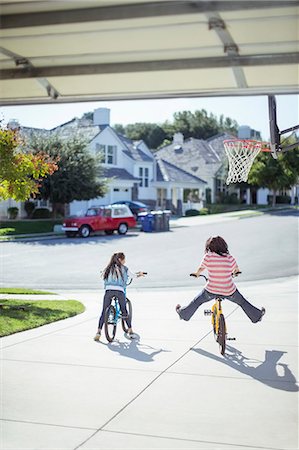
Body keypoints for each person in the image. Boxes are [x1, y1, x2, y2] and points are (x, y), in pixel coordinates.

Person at [176, 236, 265, 323]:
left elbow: (201, 268)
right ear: (223, 245)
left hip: (211, 290)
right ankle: (257, 316)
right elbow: (236, 269)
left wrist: (197, 274)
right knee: (242, 302)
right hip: (229, 291)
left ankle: (183, 314)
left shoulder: (208, 256)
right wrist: (235, 273)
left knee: (196, 302)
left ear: (209, 247)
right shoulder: (229, 257)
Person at [94, 252, 145, 341]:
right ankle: (130, 331)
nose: (125, 261)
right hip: (119, 291)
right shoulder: (125, 269)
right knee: (124, 311)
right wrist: (140, 274)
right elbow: (133, 276)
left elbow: (103, 276)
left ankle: (98, 332)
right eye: (124, 259)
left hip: (108, 291)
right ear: (120, 260)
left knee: (104, 311)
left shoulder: (108, 268)